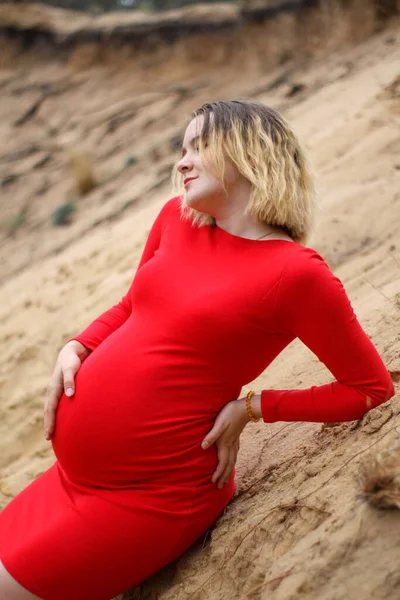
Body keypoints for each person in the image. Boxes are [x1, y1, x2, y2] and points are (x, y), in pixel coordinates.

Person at [0, 100, 394, 600]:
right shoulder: (175, 219)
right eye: (181, 149)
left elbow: (369, 388)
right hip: (66, 480)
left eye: (199, 145)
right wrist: (79, 344)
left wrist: (252, 408)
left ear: (251, 152)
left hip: (149, 500)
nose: (182, 161)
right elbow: (131, 306)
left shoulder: (296, 275)